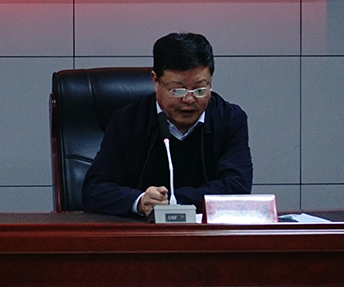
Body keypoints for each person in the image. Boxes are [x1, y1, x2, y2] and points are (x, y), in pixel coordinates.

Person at [81, 32, 252, 218]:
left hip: (206, 232)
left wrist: (171, 201)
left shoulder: (229, 119)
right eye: (177, 90)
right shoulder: (128, 121)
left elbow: (237, 187)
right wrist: (140, 201)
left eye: (200, 89)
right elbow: (94, 190)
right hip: (143, 232)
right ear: (155, 80)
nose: (189, 99)